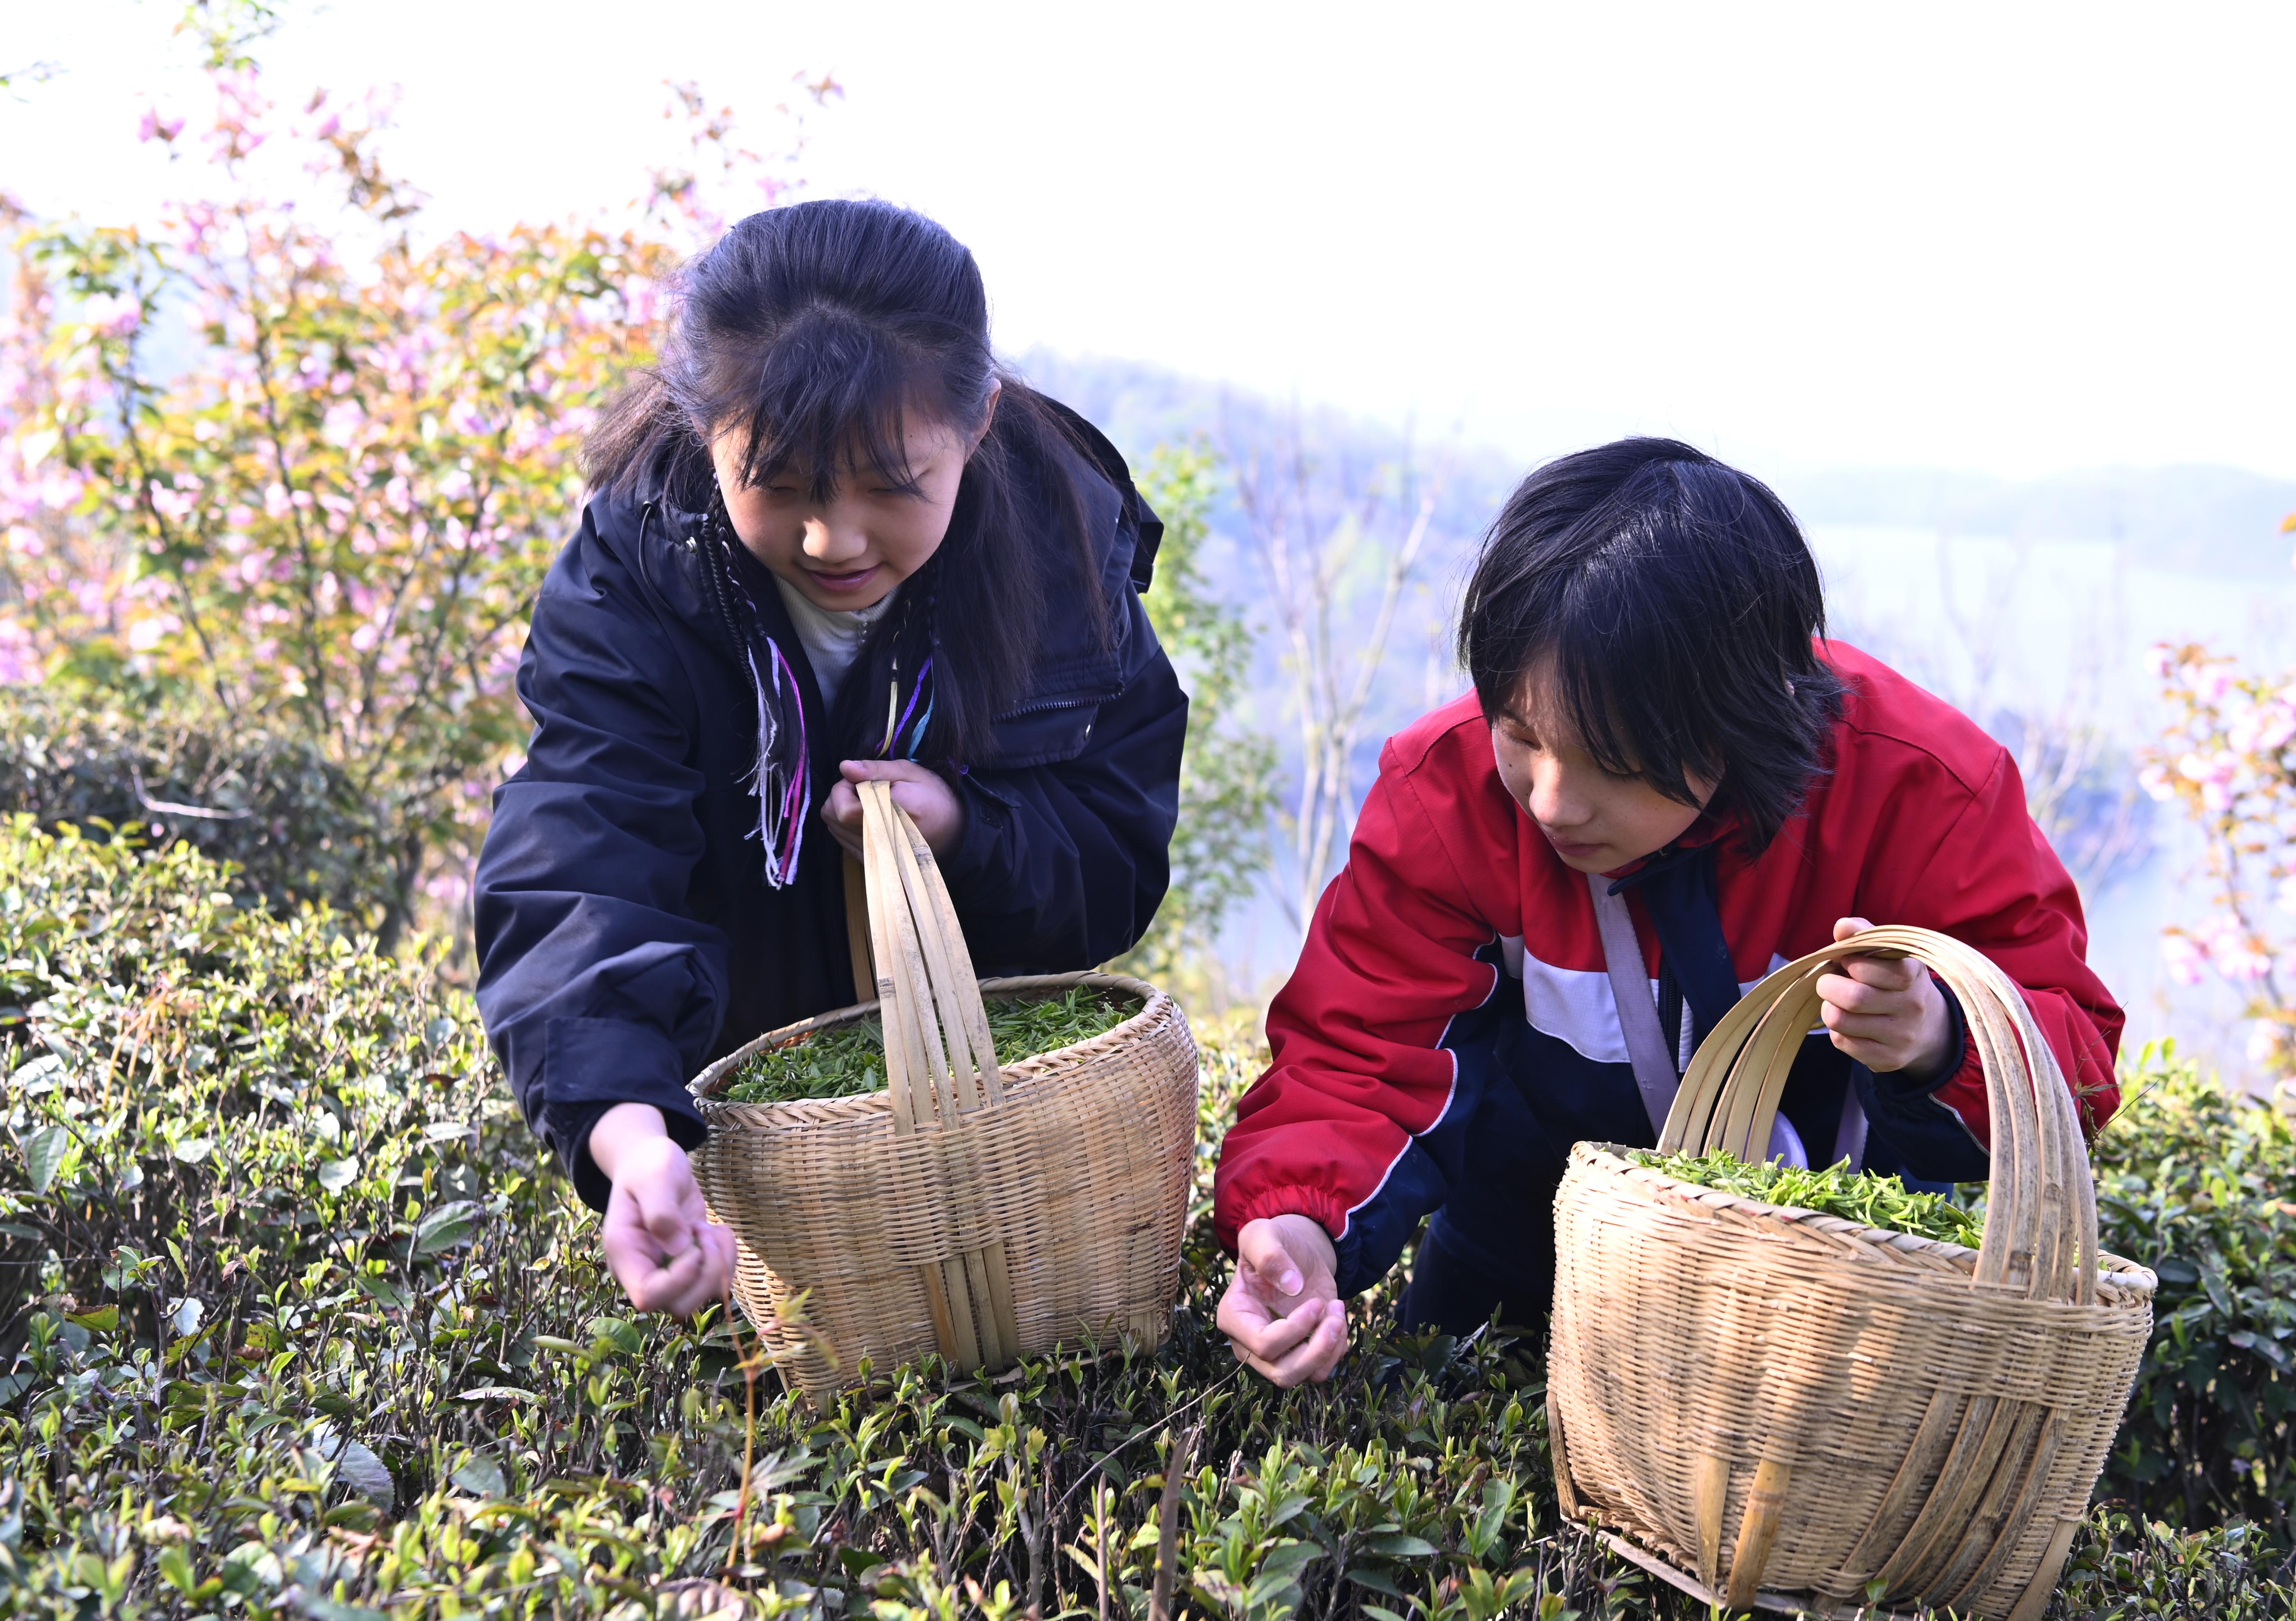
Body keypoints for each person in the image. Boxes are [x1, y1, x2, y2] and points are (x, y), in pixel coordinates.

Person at [1211, 439, 2121, 1386]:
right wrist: (1298, 1228)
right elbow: (1360, 1052)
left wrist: (1940, 1038)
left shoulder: (1922, 788)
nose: (1553, 801)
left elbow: (2074, 1068)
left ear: (1748, 714)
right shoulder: (1448, 788)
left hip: (1844, 1306)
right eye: (1522, 733)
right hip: (1525, 1253)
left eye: (1612, 760)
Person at [474, 200, 1185, 1319]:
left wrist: (968, 829)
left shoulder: (1064, 559)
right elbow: (584, 848)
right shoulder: (638, 573)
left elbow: (1114, 847)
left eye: (889, 487)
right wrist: (626, 1130)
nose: (833, 539)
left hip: (983, 1171)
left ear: (979, 419)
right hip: (741, 1155)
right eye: (784, 484)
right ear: (702, 427)